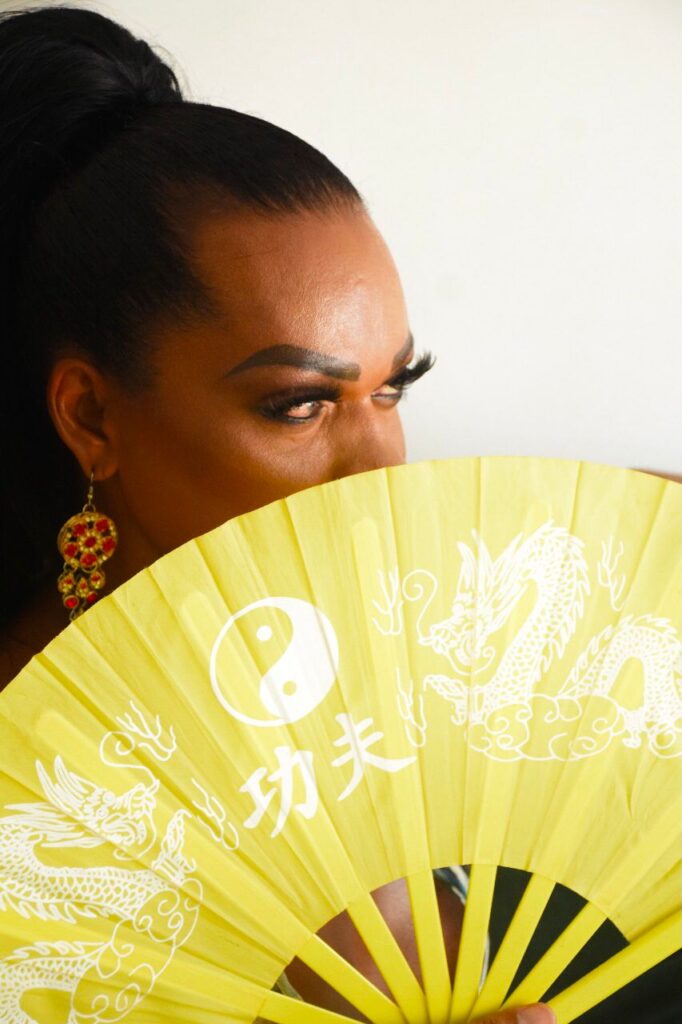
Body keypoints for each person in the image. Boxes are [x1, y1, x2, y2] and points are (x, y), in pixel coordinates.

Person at [0, 6, 676, 1024]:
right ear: (92, 416)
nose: (381, 468)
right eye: (298, 404)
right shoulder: (39, 782)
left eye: (391, 387)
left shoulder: (417, 611)